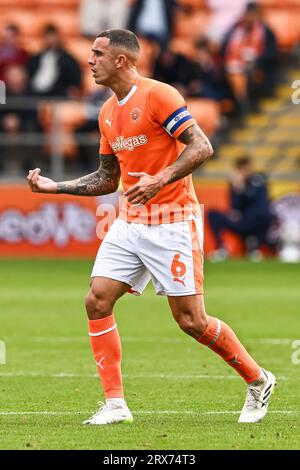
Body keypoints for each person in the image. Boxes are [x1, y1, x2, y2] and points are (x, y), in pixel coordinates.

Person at [27, 29, 276, 425]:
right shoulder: (107, 112)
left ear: (121, 60)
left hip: (173, 221)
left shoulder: (159, 95)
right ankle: (115, 405)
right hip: (131, 222)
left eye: (97, 54)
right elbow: (108, 179)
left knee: (191, 321)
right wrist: (55, 187)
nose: (89, 60)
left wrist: (160, 179)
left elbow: (202, 146)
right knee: (97, 300)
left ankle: (258, 379)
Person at [208, 157, 274, 261]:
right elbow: (234, 206)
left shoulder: (258, 180)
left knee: (264, 215)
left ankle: (254, 247)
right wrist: (237, 189)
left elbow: (257, 202)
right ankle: (222, 248)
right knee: (213, 214)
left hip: (254, 220)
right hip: (240, 220)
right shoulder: (236, 184)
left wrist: (243, 189)